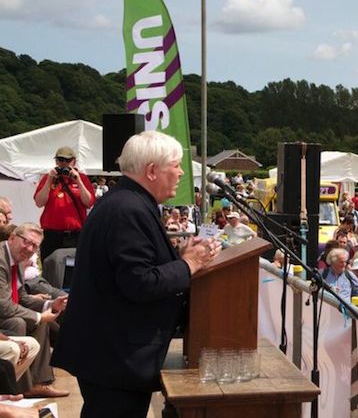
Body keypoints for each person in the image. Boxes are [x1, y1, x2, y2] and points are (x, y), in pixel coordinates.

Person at [51, 131, 222, 417]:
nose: (181, 173)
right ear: (152, 170)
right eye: (177, 165)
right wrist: (188, 265)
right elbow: (139, 283)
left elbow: (133, 269)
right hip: (114, 357)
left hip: (111, 353)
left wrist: (180, 258)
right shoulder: (128, 209)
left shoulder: (127, 202)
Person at [0, 223, 68, 398]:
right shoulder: (1, 260)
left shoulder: (16, 259)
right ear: (12, 237)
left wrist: (51, 305)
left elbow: (21, 297)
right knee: (19, 322)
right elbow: (4, 306)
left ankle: (37, 383)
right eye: (27, 242)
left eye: (35, 246)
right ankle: (16, 389)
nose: (30, 249)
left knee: (40, 323)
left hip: (5, 313)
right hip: (3, 315)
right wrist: (39, 316)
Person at [33, 146, 95, 261]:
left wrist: (79, 182)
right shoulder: (48, 178)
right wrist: (49, 181)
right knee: (50, 268)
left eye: (67, 160)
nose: (64, 163)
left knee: (72, 270)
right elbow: (39, 202)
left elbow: (89, 202)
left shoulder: (82, 178)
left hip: (74, 235)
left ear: (74, 161)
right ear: (56, 161)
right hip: (52, 234)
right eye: (60, 160)